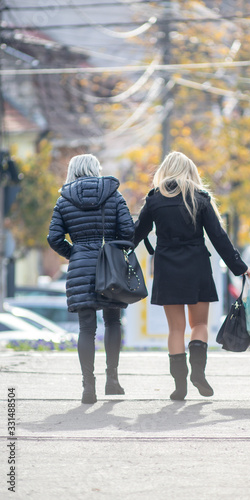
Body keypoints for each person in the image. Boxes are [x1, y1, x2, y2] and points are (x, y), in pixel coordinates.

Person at [134, 151, 250, 401]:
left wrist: (113, 250)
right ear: (190, 172)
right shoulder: (199, 198)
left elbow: (135, 234)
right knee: (199, 325)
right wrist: (240, 267)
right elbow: (218, 238)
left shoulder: (154, 199)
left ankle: (180, 386)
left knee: (175, 329)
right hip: (197, 267)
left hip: (167, 268)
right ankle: (198, 372)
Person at [47, 154, 134, 404]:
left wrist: (74, 253)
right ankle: (113, 380)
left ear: (72, 171)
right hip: (111, 268)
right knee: (113, 322)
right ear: (96, 169)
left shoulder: (64, 200)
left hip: (80, 267)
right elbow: (128, 232)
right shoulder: (114, 195)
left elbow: (54, 238)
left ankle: (88, 386)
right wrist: (116, 250)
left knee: (86, 327)